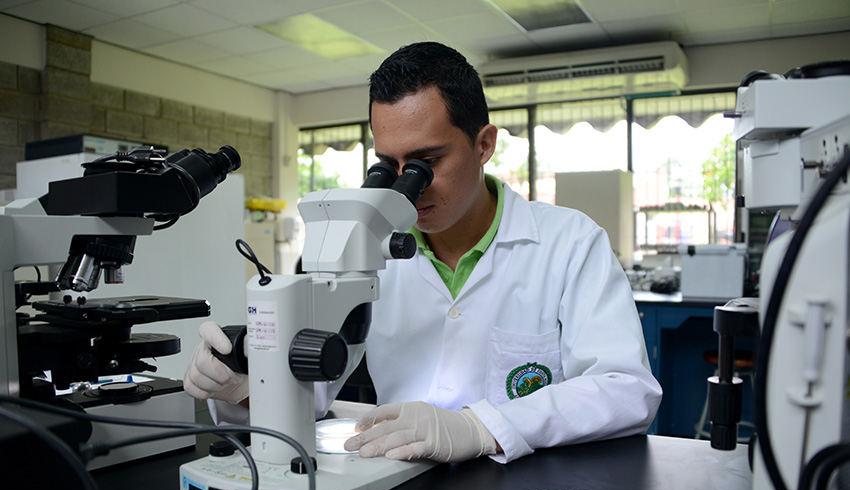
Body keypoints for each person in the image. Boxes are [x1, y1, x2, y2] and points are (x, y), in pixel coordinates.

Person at [184, 41, 662, 464]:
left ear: (484, 144)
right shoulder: (367, 249)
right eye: (389, 166)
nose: (408, 188)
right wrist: (246, 387)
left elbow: (626, 391)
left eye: (426, 162)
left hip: (522, 486)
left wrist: (481, 427)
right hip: (398, 481)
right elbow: (313, 392)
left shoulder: (570, 243)